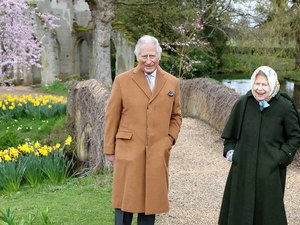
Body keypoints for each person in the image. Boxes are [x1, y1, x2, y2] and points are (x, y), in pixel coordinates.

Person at [104, 35, 182, 225]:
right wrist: (109, 149)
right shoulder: (122, 81)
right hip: (128, 151)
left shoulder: (172, 82)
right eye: (144, 56)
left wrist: (168, 140)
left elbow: (176, 116)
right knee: (125, 203)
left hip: (157, 151)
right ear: (137, 56)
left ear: (159, 56)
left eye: (152, 56)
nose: (148, 61)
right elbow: (112, 116)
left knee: (150, 202)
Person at [218, 66, 300, 225]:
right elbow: (230, 136)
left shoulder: (285, 106)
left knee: (268, 215)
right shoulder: (243, 103)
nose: (260, 88)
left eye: (264, 84)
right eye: (257, 84)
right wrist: (232, 154)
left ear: (273, 84)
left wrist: (279, 158)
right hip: (242, 170)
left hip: (270, 173)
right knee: (239, 213)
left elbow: (295, 137)